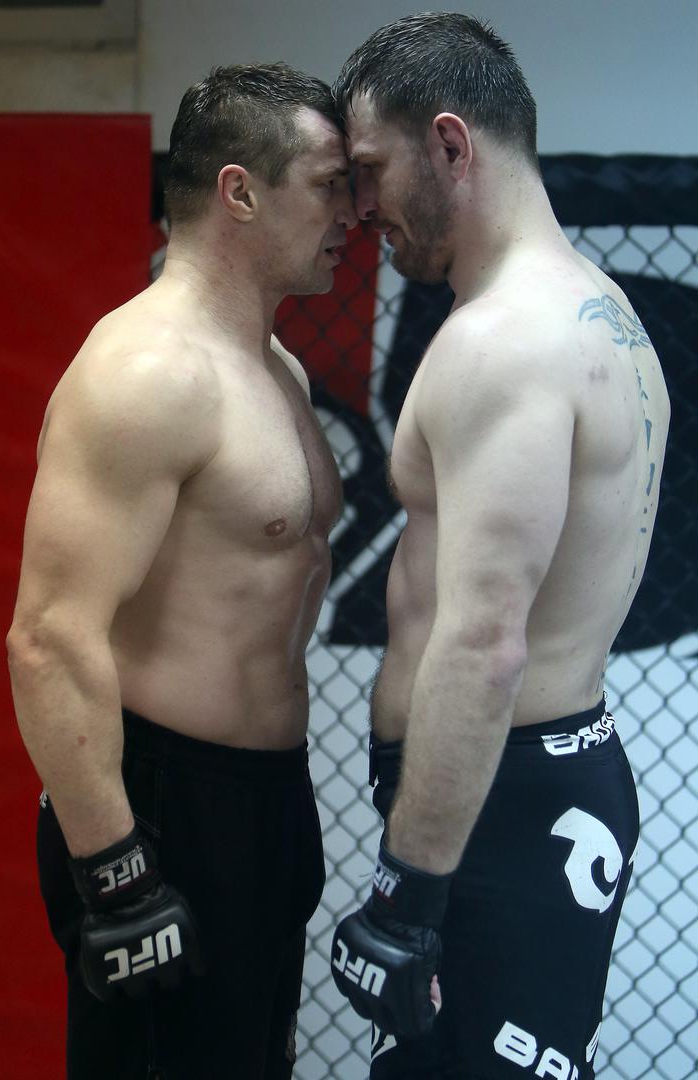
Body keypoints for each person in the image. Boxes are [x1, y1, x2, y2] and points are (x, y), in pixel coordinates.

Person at [330, 13, 669, 1079]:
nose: (360, 205)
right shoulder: (596, 312)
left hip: (502, 814)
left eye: (371, 168)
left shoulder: (506, 342)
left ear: (450, 144)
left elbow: (483, 644)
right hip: (531, 789)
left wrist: (408, 894)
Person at [7, 62, 356, 1080]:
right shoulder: (148, 372)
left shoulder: (278, 371)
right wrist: (115, 871)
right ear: (239, 191)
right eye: (328, 184)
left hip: (265, 797)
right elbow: (49, 636)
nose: (352, 213)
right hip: (160, 806)